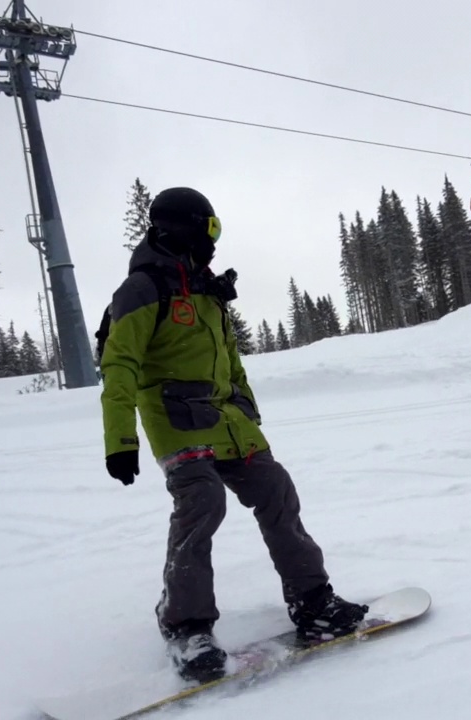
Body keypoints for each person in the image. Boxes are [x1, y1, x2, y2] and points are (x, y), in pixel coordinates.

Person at [98, 186, 367, 683]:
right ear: (179, 228)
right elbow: (119, 367)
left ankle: (313, 601)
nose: (214, 241)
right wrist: (121, 440)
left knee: (276, 489)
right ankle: (185, 626)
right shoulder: (142, 289)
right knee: (203, 502)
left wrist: (247, 411)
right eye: (210, 229)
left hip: (227, 420)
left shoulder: (208, 290)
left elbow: (232, 364)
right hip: (174, 417)